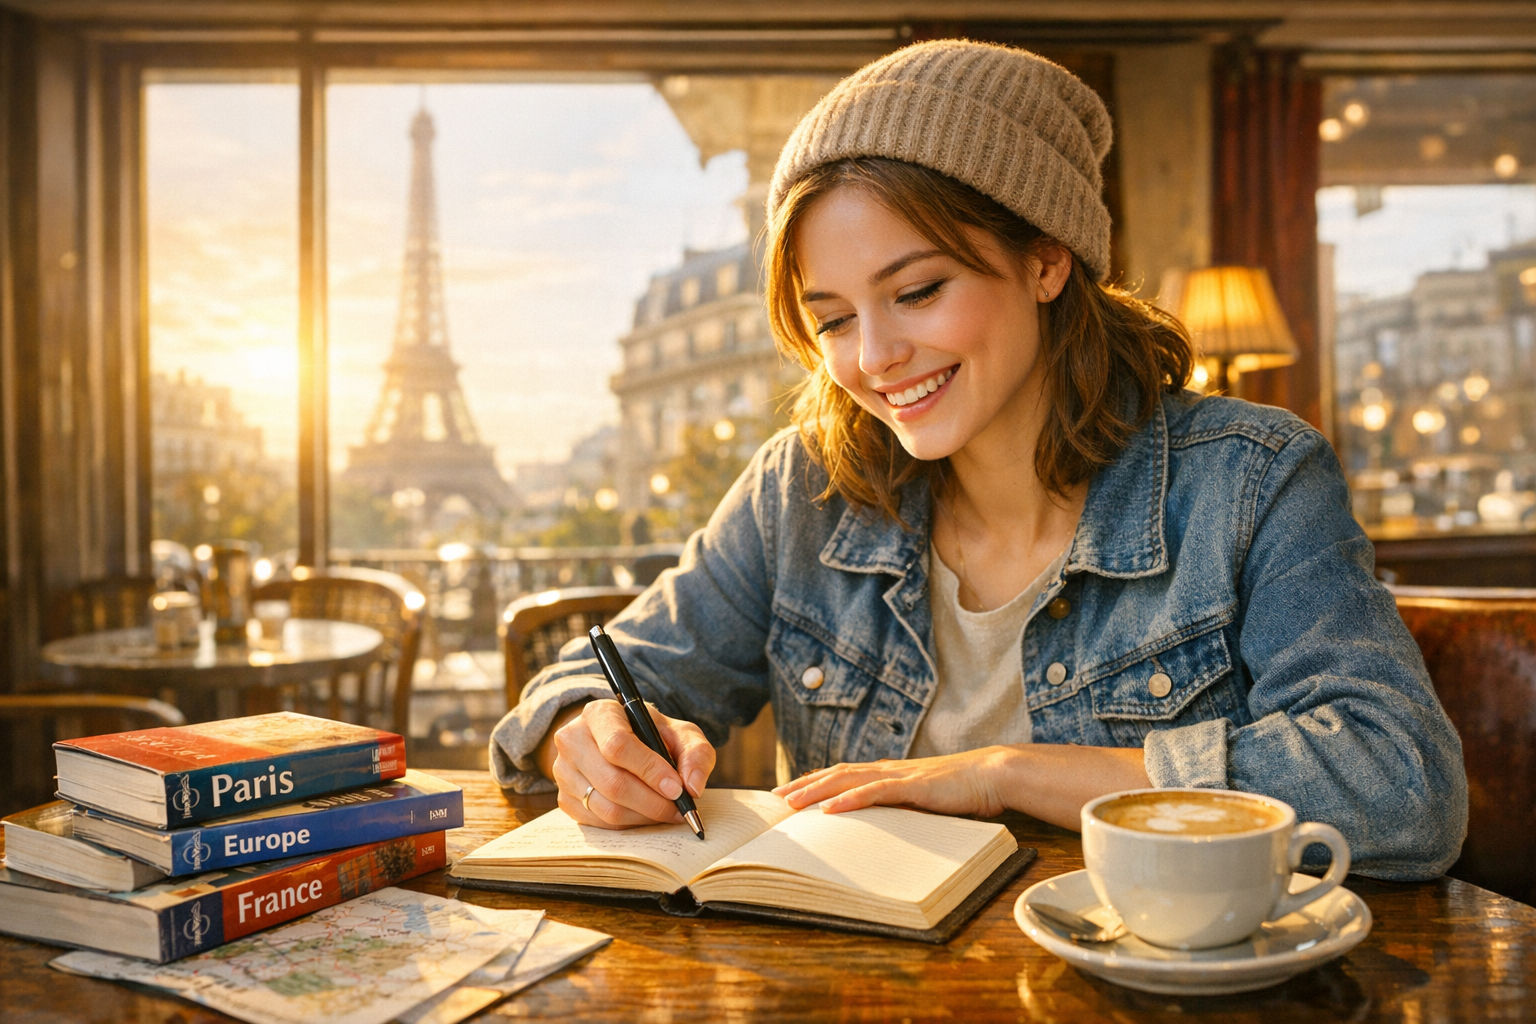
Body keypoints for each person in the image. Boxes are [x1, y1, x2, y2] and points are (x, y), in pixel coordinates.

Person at [491, 40, 1467, 878]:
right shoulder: (804, 488)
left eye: (916, 291)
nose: (871, 359)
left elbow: (1401, 785)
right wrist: (584, 724)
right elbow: (601, 673)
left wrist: (1013, 770)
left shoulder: (1252, 480)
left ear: (1047, 259)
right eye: (830, 318)